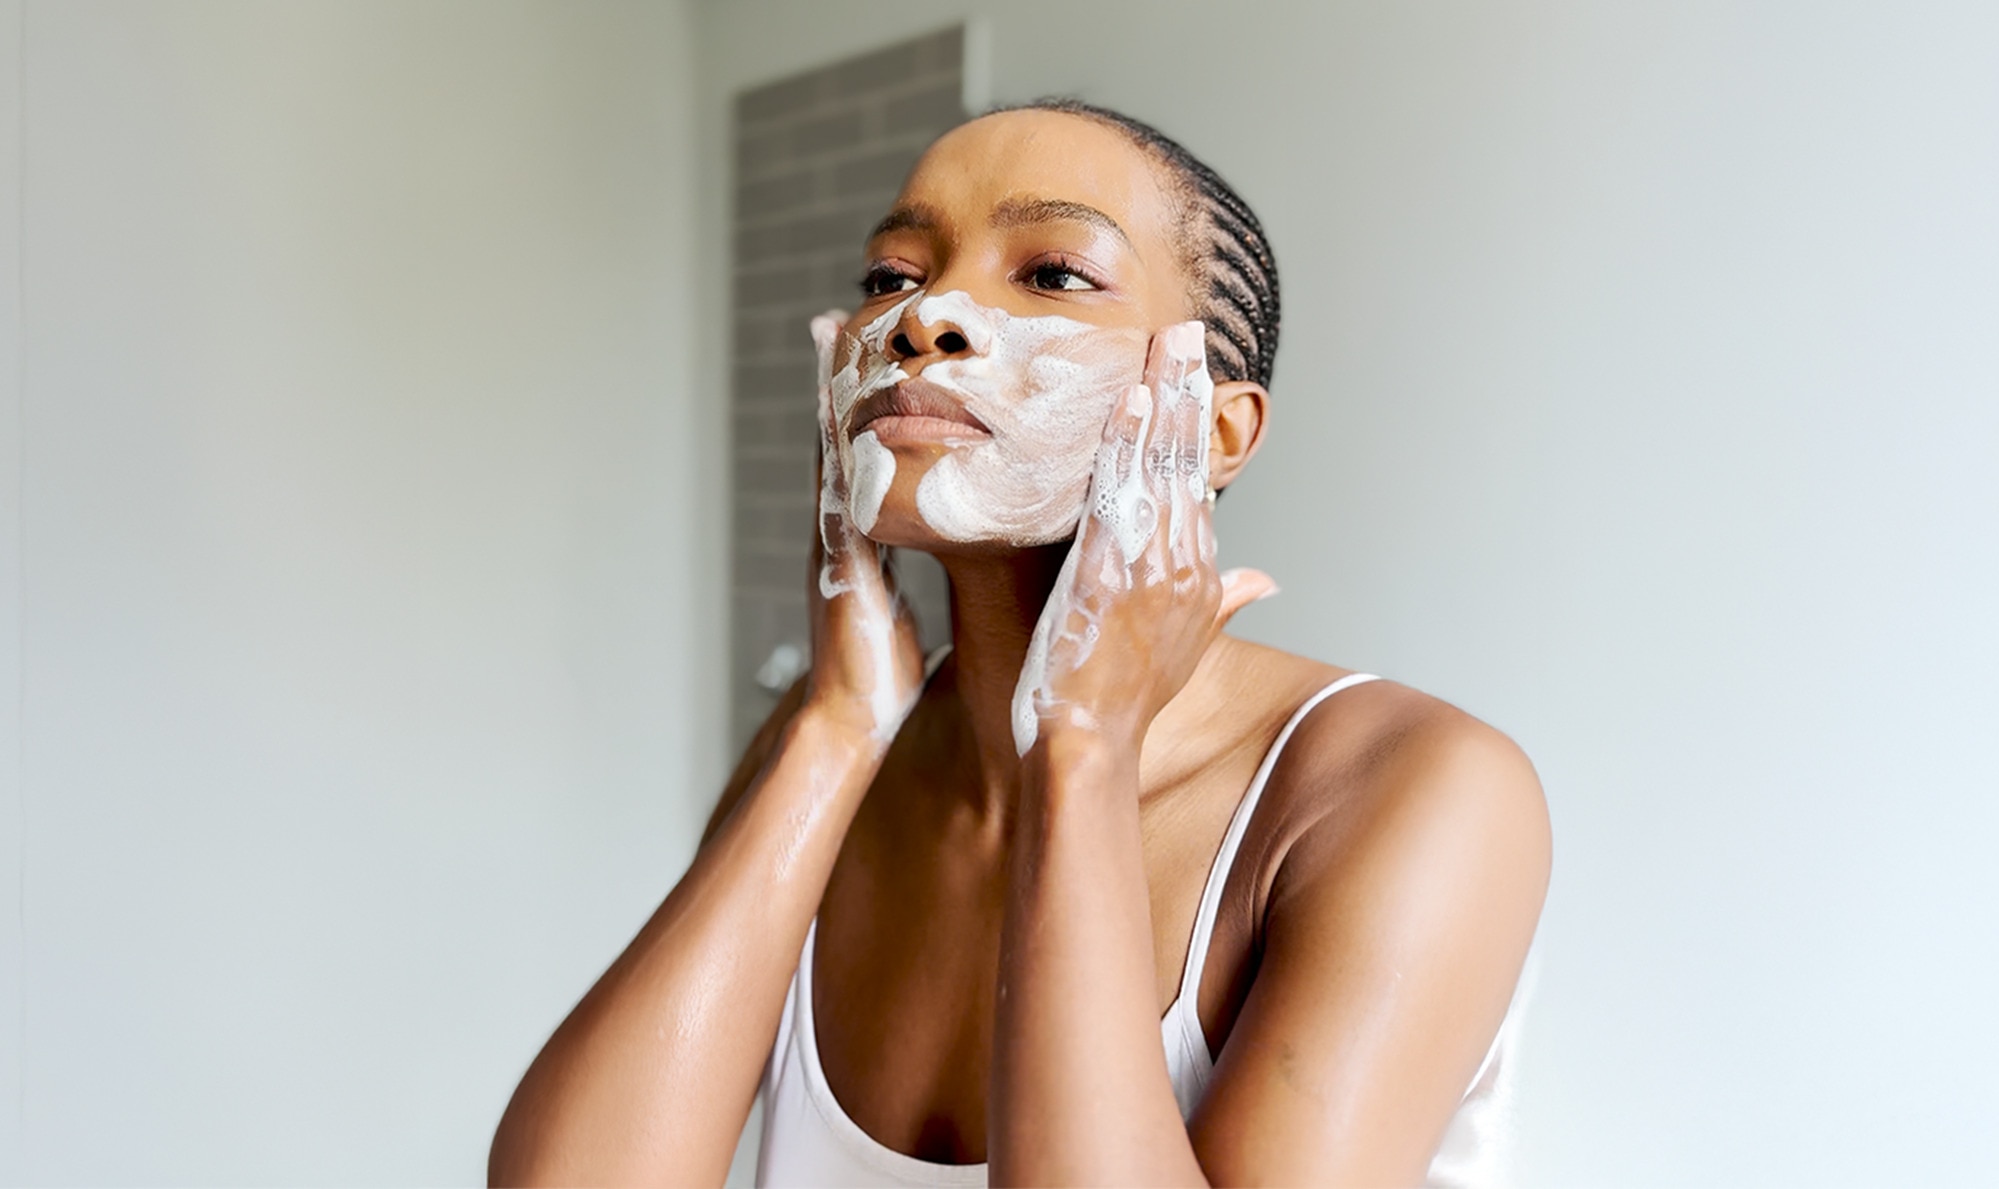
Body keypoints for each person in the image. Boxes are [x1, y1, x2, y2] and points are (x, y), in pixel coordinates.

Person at [488, 99, 1551, 1188]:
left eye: (1050, 273)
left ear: (1215, 430)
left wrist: (1081, 744)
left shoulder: (1409, 787)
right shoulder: (821, 753)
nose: (925, 314)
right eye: (891, 276)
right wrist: (836, 724)